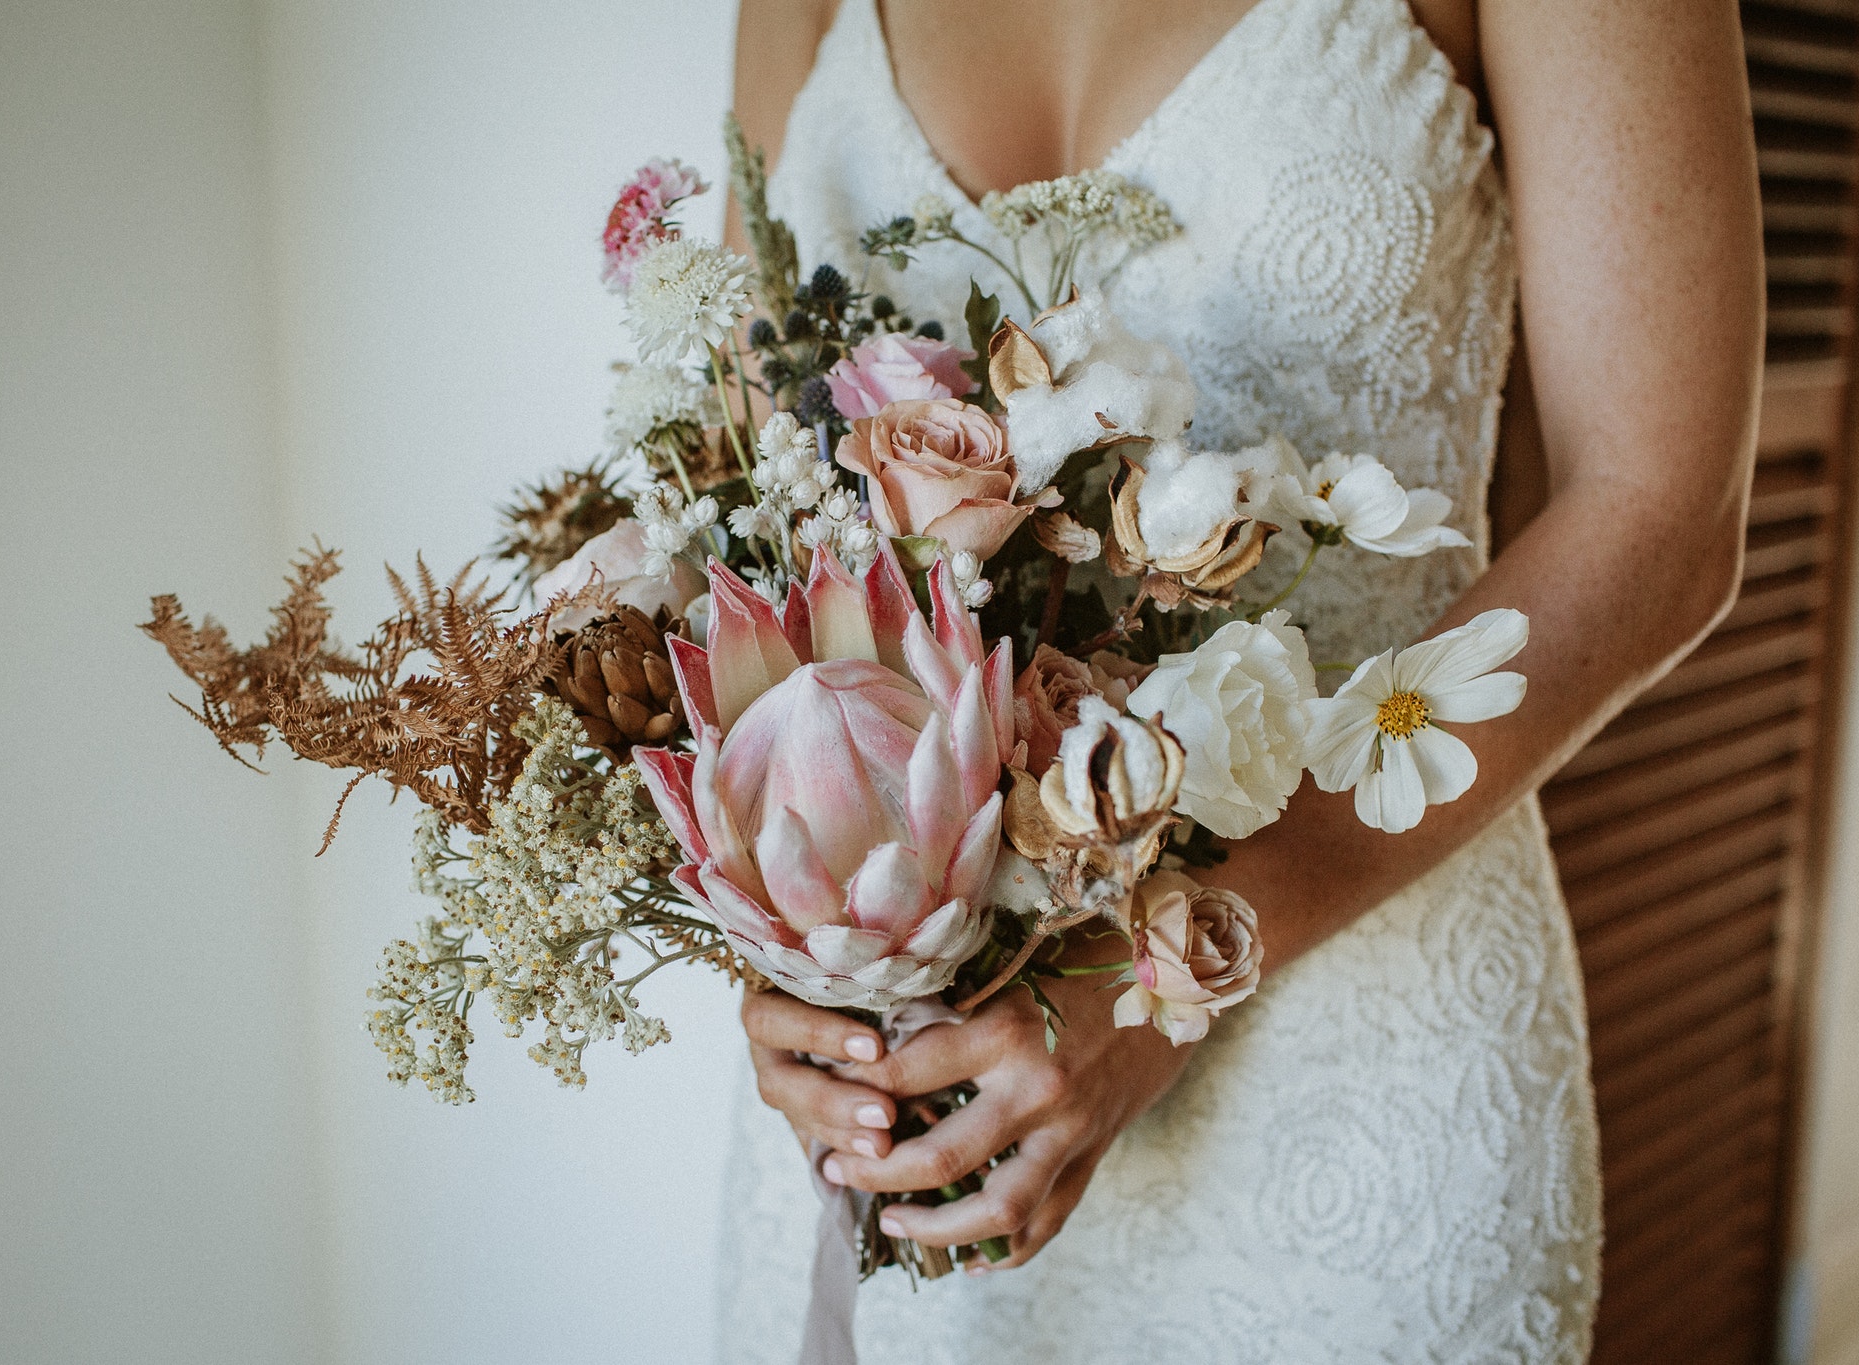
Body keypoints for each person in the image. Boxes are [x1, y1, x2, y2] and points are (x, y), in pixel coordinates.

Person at [720, 0, 1762, 1359]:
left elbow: (1663, 511)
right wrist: (782, 919)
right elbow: (739, 476)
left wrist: (1173, 960)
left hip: (1358, 1056)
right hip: (916, 1080)